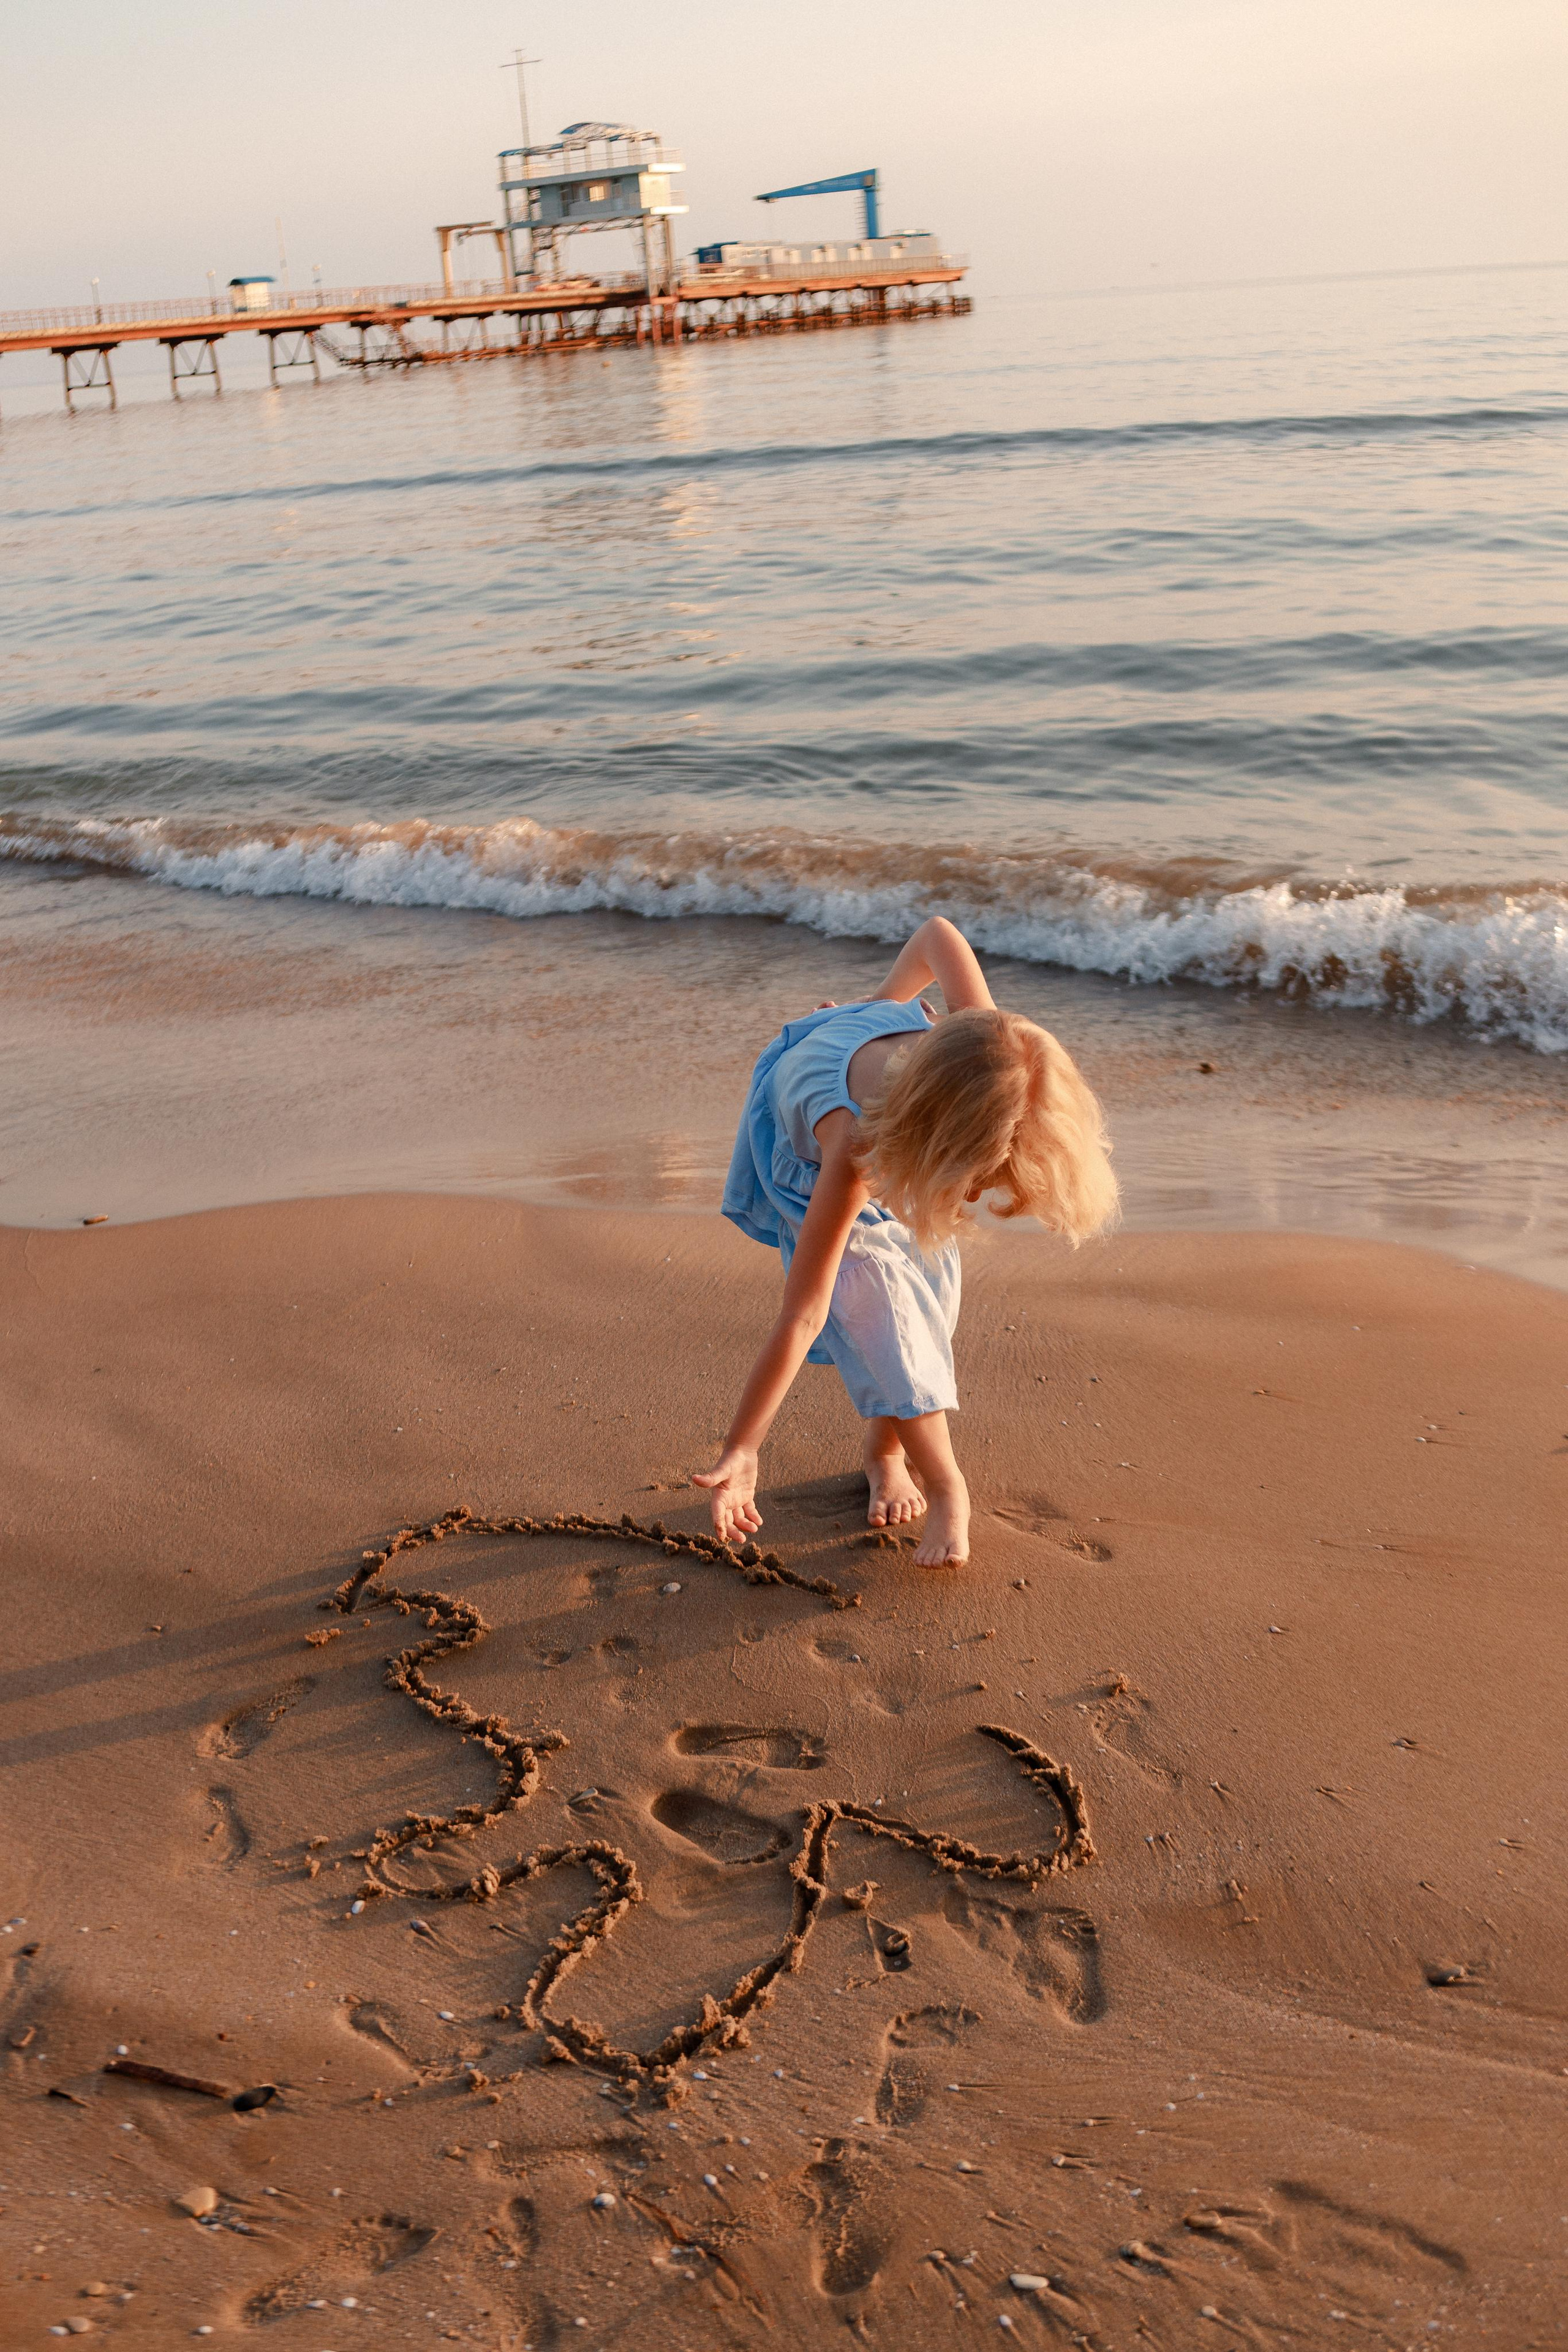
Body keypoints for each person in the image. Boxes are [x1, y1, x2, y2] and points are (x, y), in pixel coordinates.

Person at [695, 916, 1118, 1566]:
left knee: (931, 1301)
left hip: (866, 1055)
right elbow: (802, 1313)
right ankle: (949, 1487)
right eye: (972, 1178)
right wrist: (743, 1447)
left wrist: (882, 1001)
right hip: (814, 1142)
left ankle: (885, 1450)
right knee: (886, 1314)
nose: (976, 1197)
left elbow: (937, 935)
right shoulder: (854, 1149)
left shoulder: (984, 1043)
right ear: (928, 1143)